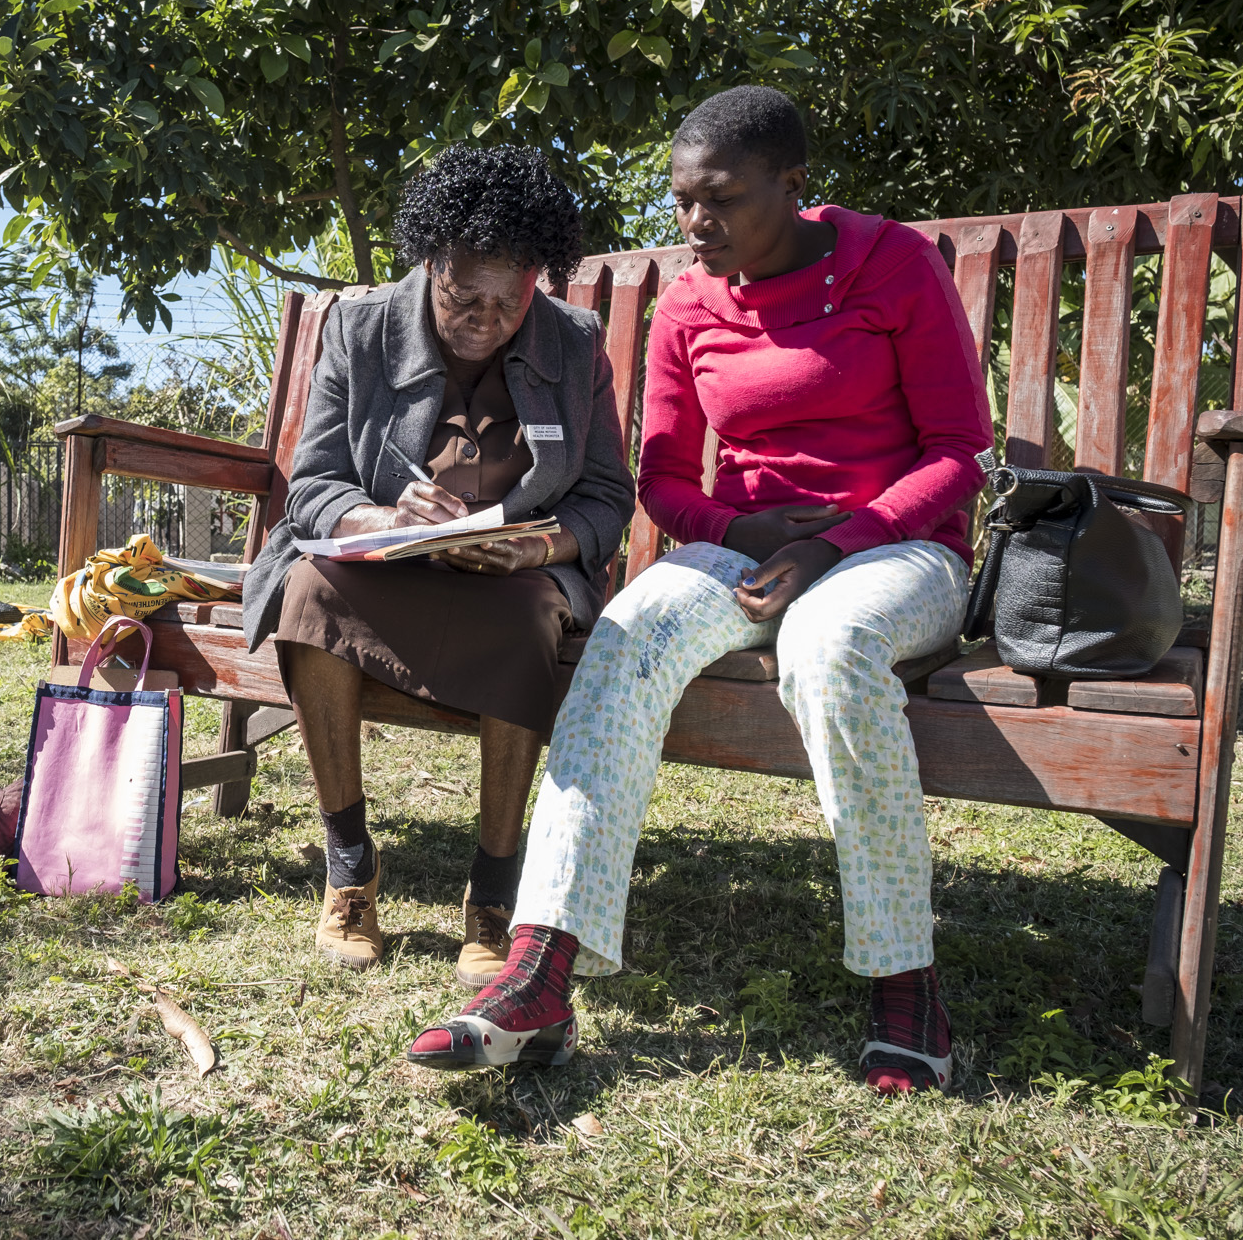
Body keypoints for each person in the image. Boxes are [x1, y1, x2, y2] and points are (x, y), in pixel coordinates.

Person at [407, 87, 993, 1095]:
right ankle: (538, 971)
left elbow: (957, 453)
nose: (693, 225)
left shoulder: (889, 263)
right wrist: (740, 530)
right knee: (625, 632)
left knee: (826, 644)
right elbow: (665, 481)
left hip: (899, 548)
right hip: (748, 547)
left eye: (718, 200)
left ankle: (907, 987)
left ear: (792, 185)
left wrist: (837, 543)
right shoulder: (686, 305)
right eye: (681, 202)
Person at [242, 145, 635, 986]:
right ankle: (349, 866)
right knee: (306, 590)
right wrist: (380, 516)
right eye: (466, 297)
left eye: (511, 300)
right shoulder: (361, 326)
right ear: (430, 264)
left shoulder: (573, 343)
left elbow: (606, 497)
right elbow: (311, 484)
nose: (488, 320)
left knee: (530, 616)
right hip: (387, 564)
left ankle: (493, 892)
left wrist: (542, 543)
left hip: (513, 579)